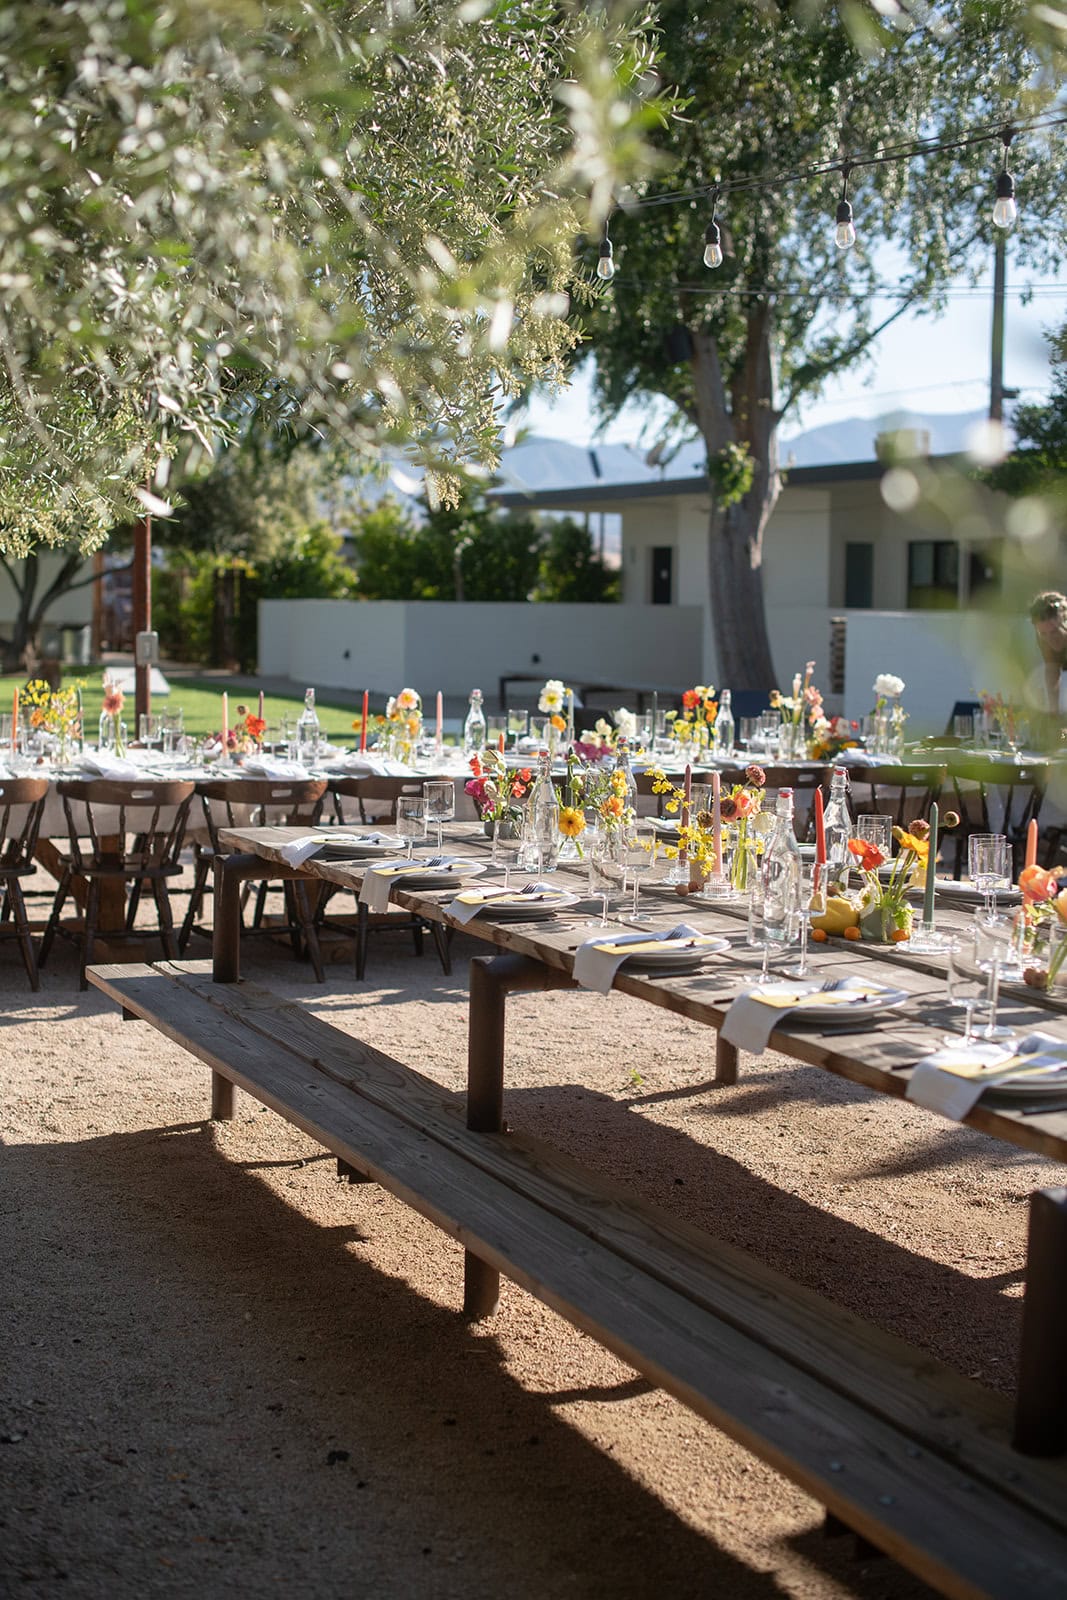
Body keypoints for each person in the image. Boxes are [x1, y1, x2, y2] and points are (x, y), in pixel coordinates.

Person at [1029, 591, 1067, 712]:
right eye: (1044, 634)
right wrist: (1053, 712)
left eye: (1055, 632)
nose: (1050, 639)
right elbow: (1052, 670)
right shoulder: (1043, 634)